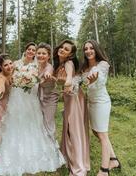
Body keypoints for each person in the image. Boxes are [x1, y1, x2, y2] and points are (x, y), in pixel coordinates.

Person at [0, 42, 65, 176]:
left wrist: (36, 79)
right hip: (17, 99)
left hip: (31, 100)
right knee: (16, 124)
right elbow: (5, 77)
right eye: (29, 49)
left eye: (34, 50)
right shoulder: (16, 64)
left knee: (33, 124)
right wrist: (0, 90)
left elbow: (45, 74)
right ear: (25, 50)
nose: (31, 51)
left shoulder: (38, 65)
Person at [81, 40, 121, 176]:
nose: (88, 51)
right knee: (96, 132)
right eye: (85, 49)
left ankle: (104, 170)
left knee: (103, 135)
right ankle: (114, 160)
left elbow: (100, 83)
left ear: (96, 49)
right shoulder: (84, 68)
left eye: (91, 48)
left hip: (101, 102)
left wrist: (92, 81)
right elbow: (82, 84)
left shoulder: (103, 64)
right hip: (90, 102)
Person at [53, 39, 90, 176]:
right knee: (70, 128)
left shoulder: (68, 63)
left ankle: (79, 168)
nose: (62, 49)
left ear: (70, 55)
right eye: (62, 47)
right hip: (70, 98)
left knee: (74, 130)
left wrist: (67, 84)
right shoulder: (61, 63)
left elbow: (69, 78)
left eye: (66, 49)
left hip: (74, 97)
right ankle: (69, 158)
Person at [36, 43, 59, 139]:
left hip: (50, 98)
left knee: (48, 121)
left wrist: (47, 75)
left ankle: (52, 146)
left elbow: (48, 73)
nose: (41, 55)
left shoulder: (49, 67)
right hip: (38, 97)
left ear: (48, 56)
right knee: (39, 122)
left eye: (44, 53)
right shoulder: (35, 66)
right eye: (39, 53)